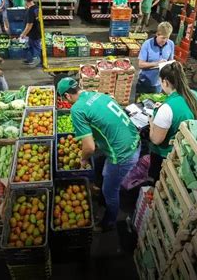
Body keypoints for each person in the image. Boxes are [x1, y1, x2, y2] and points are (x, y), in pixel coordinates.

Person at [57, 77, 140, 232]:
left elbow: (89, 147)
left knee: (111, 191)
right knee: (105, 173)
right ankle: (102, 196)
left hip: (122, 154)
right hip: (134, 139)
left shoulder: (77, 109)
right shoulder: (98, 95)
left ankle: (108, 223)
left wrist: (82, 159)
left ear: (67, 96)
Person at [148, 62, 197, 181]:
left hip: (166, 156)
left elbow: (156, 140)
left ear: (165, 82)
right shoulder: (196, 96)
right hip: (186, 151)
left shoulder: (167, 109)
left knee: (158, 182)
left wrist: (152, 122)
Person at [136, 22, 175, 94]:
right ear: (157, 34)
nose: (165, 40)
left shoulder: (171, 44)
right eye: (163, 38)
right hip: (145, 82)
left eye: (167, 38)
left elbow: (171, 60)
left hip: (159, 84)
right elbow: (140, 64)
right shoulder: (147, 44)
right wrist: (157, 64)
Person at [20, 0, 42, 67]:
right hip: (36, 32)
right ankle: (30, 60)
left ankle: (37, 63)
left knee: (35, 48)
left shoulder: (30, 10)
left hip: (33, 33)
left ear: (26, 0)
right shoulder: (36, 7)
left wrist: (23, 34)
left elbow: (29, 25)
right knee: (31, 47)